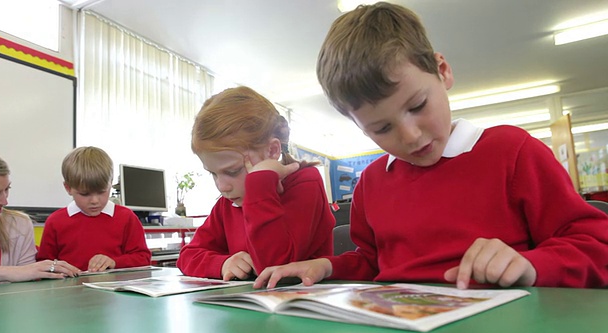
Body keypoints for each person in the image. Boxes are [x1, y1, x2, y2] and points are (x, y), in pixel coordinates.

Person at [254, 2, 608, 290]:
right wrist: (326, 266)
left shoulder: (513, 152)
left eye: (418, 105)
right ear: (361, 129)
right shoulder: (372, 184)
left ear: (442, 71)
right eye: (382, 127)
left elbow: (596, 246)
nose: (410, 136)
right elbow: (373, 262)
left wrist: (531, 264)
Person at [177, 86, 335, 281]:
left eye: (232, 171)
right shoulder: (228, 204)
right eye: (213, 174)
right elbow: (187, 256)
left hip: (304, 304)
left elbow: (274, 266)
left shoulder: (305, 182)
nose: (222, 186)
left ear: (272, 151)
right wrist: (222, 263)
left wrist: (260, 184)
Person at [0, 144, 79, 285]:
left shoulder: (18, 225)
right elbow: (20, 273)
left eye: (6, 189)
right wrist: (10, 272)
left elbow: (24, 288)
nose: (4, 201)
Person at [37, 146, 151, 272]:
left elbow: (143, 258)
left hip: (113, 289)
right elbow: (43, 265)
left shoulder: (126, 217)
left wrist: (114, 262)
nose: (95, 201)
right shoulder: (56, 221)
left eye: (102, 192)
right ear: (68, 188)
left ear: (111, 183)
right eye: (85, 194)